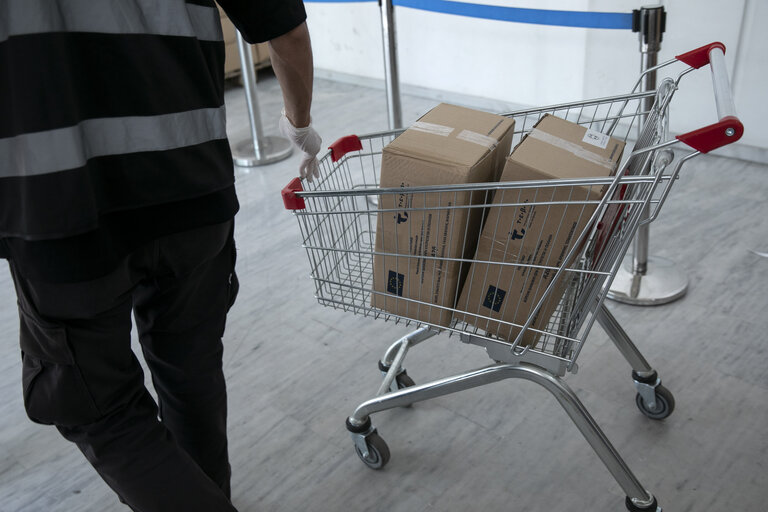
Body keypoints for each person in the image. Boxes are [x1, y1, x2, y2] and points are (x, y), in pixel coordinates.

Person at [0, 1, 321, 510]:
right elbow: (287, 32)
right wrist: (300, 126)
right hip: (191, 181)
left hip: (61, 201)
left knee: (100, 408)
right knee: (190, 366)